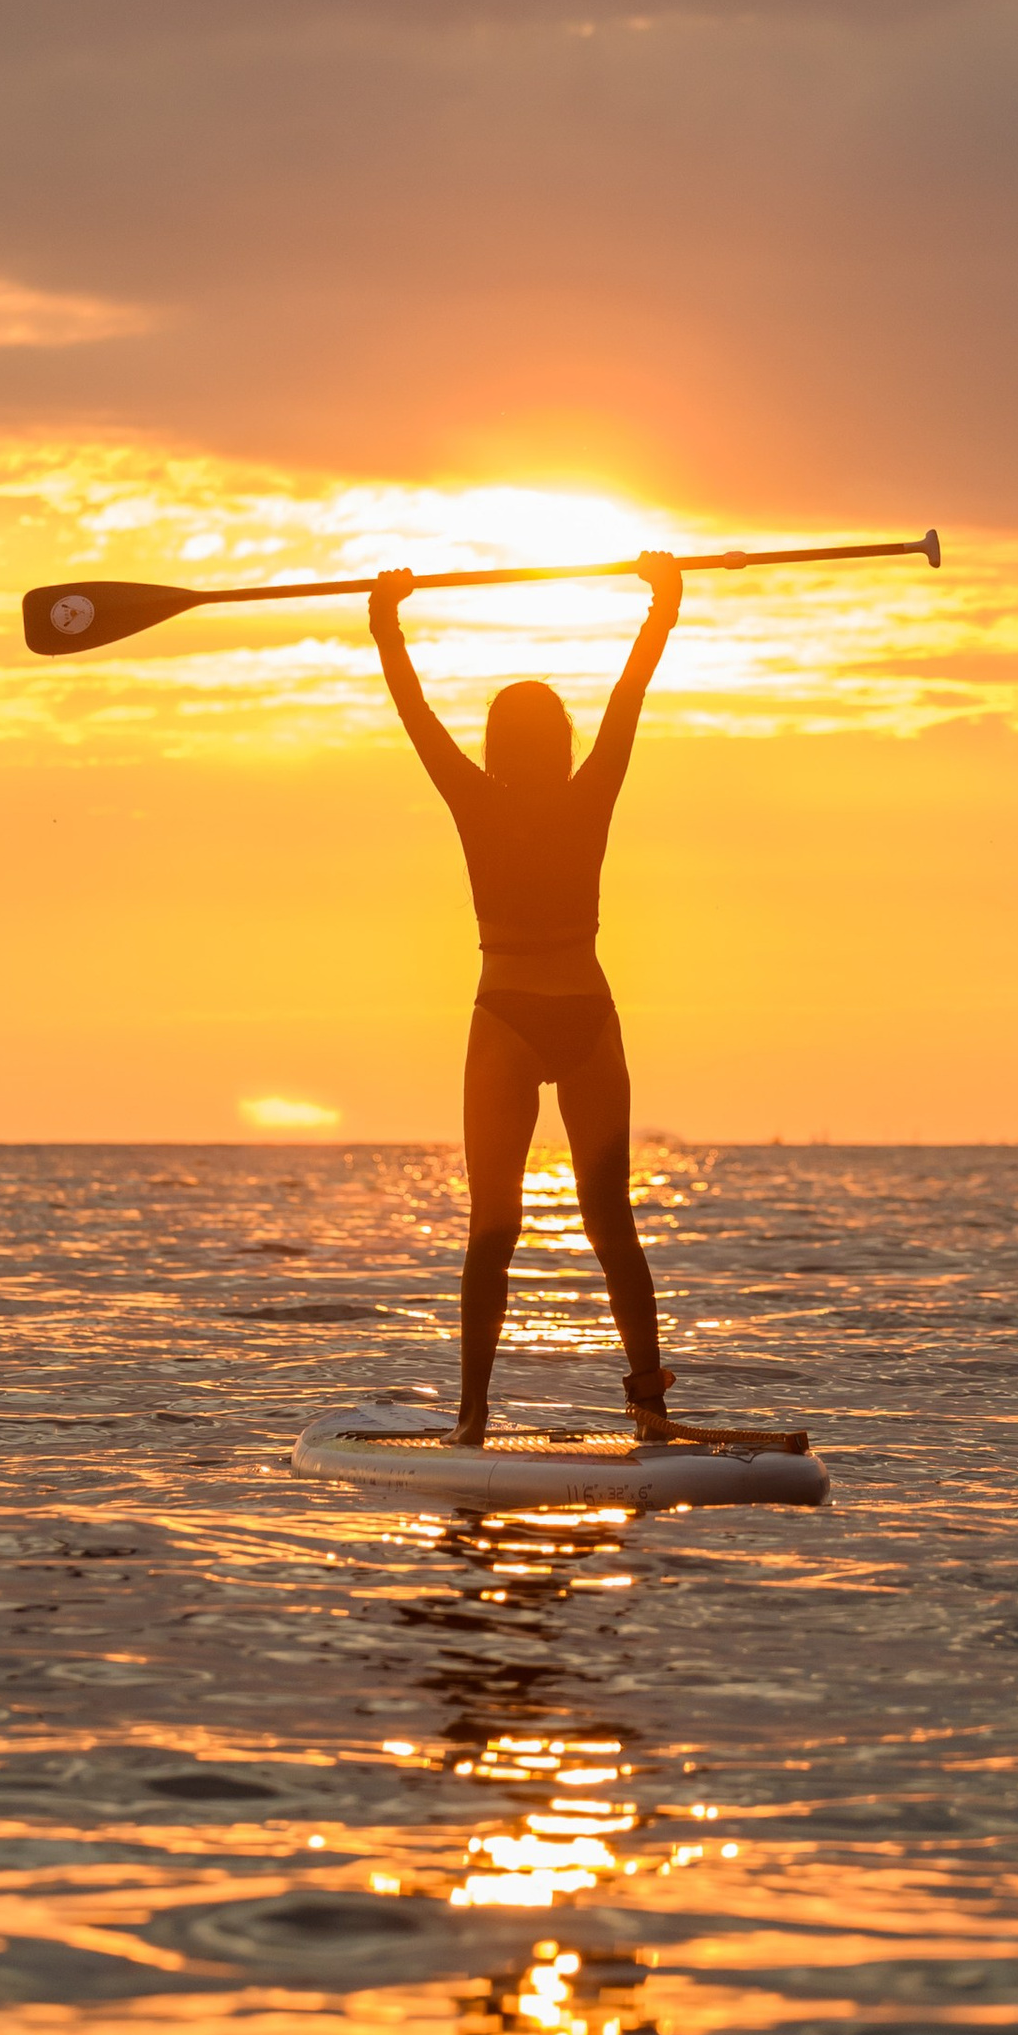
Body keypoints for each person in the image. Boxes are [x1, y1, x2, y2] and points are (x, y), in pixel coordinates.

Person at [369, 553, 682, 1446]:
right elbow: (629, 701)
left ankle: (472, 1420)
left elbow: (415, 715)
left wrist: (386, 622)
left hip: (505, 1017)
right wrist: (661, 608)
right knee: (610, 1223)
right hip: (590, 1015)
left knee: (494, 1229)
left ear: (498, 746)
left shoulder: (474, 797)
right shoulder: (593, 791)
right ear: (565, 743)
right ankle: (650, 1411)